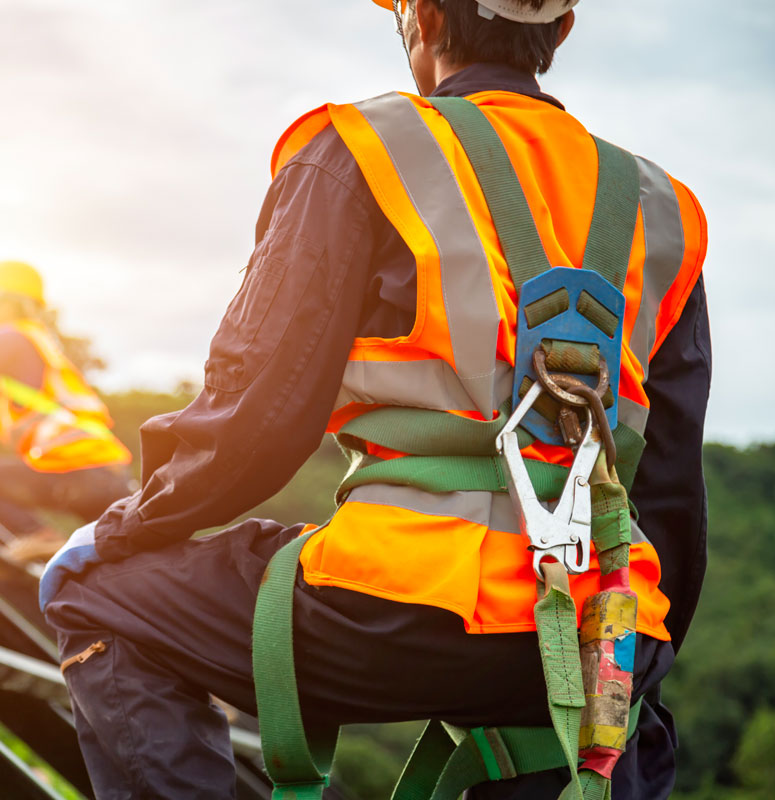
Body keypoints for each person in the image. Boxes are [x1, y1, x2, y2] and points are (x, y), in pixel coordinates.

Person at [41, 1, 711, 798]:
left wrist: (130, 526)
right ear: (560, 31)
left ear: (423, 17)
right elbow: (668, 491)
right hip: (599, 629)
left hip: (396, 606)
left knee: (90, 592)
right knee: (610, 732)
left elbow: (257, 417)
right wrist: (635, 656)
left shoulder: (362, 151)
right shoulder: (663, 210)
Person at [0, 261, 132, 560]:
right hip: (106, 473)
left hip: (76, 470)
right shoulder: (39, 343)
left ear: (6, 300)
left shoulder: (12, 338)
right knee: (115, 565)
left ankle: (37, 537)